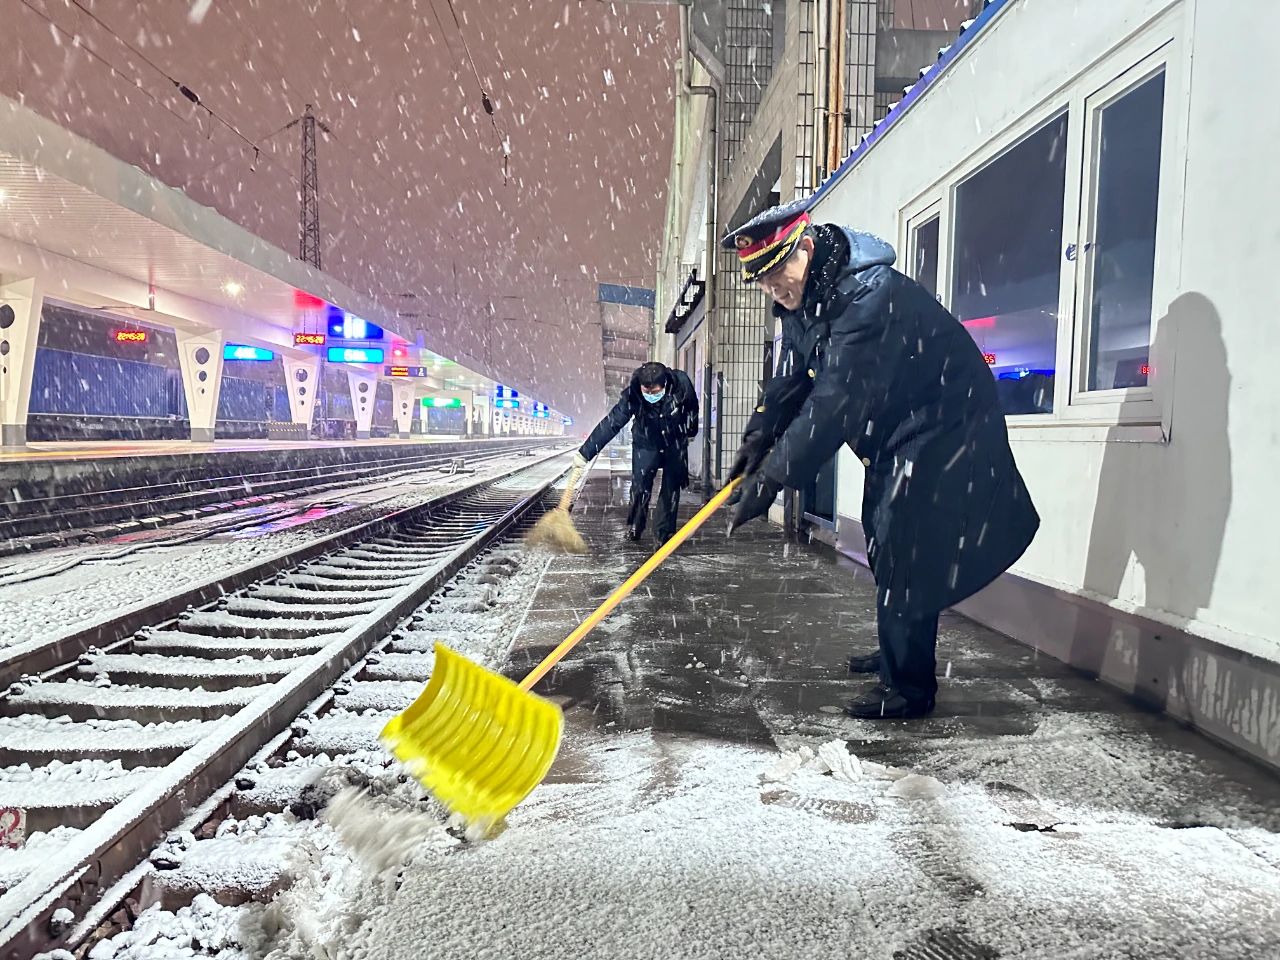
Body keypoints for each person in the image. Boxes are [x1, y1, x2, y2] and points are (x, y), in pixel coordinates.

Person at [722, 196, 1040, 719]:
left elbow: (831, 406)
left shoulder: (867, 298)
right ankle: (899, 650)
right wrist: (755, 447)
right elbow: (793, 384)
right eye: (764, 282)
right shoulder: (803, 298)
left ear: (805, 246)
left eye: (781, 273)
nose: (777, 290)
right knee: (883, 533)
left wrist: (771, 482)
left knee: (904, 542)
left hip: (942, 421)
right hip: (898, 428)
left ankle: (909, 690)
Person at [574, 360, 699, 544]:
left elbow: (692, 407)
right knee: (640, 487)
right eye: (646, 391)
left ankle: (663, 533)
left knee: (672, 487)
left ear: (664, 385)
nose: (650, 395)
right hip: (645, 443)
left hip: (675, 441)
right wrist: (585, 453)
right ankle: (636, 525)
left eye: (654, 392)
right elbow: (612, 422)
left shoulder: (681, 384)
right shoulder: (633, 394)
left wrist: (691, 430)